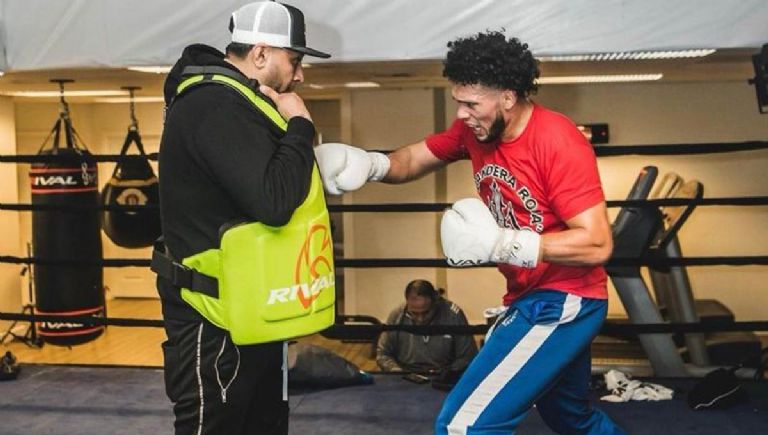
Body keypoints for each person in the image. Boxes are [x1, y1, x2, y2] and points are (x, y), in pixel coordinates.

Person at [315, 31, 626, 434]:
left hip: (563, 300)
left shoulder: (556, 141)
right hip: (529, 294)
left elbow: (597, 242)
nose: (462, 113)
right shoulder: (475, 131)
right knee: (572, 419)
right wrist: (371, 164)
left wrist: (504, 244)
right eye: (458, 101)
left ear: (508, 97)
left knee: (464, 426)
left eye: (472, 104)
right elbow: (413, 159)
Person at [153, 2, 330, 434]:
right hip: (212, 316)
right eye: (295, 60)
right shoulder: (213, 105)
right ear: (261, 53)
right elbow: (274, 202)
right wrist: (300, 125)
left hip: (249, 306)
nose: (299, 75)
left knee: (264, 424)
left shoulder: (240, 103)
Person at [376, 279, 477, 375]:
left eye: (426, 313)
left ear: (435, 302)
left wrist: (448, 373)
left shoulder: (453, 315)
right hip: (405, 375)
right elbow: (383, 354)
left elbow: (467, 356)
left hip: (445, 375)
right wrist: (398, 372)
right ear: (407, 303)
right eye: (414, 313)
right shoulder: (396, 316)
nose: (420, 319)